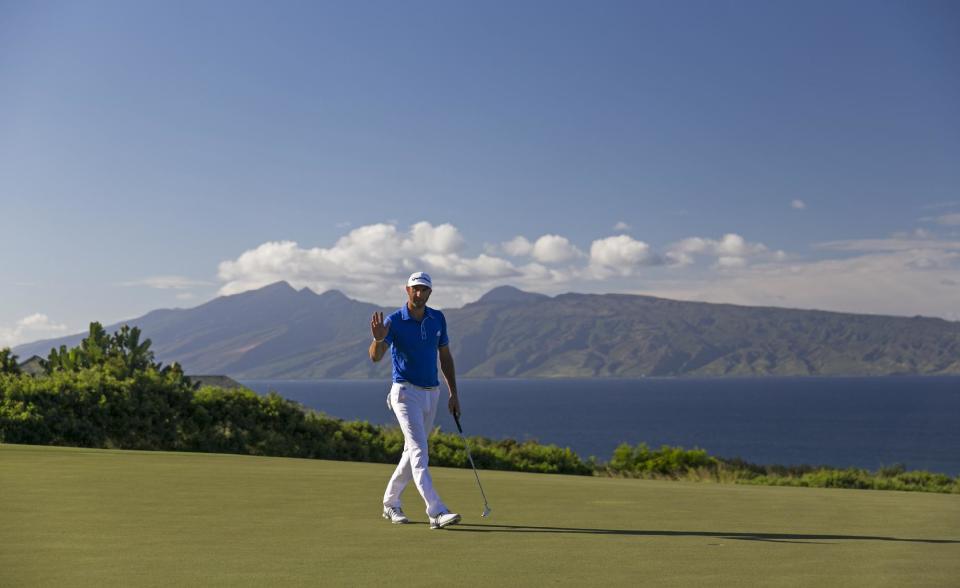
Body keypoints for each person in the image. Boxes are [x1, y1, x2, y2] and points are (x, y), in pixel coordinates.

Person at [369, 271, 462, 530]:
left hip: (432, 393)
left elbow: (445, 357)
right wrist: (378, 338)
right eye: (415, 289)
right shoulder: (395, 321)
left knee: (411, 453)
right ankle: (436, 511)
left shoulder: (437, 319)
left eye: (424, 289)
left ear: (430, 292)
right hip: (405, 393)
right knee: (420, 450)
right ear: (407, 290)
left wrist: (453, 393)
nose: (419, 293)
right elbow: (375, 357)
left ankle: (390, 502)